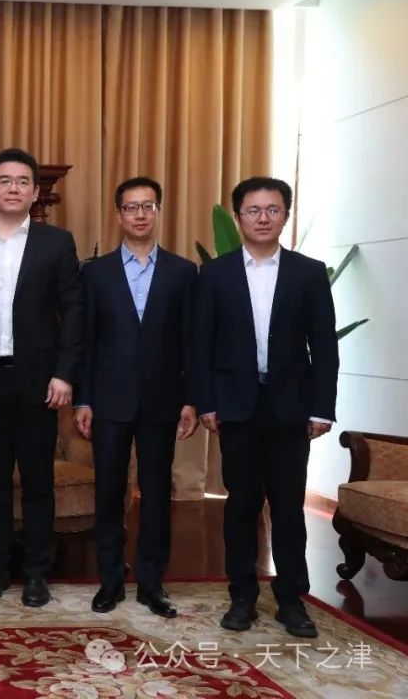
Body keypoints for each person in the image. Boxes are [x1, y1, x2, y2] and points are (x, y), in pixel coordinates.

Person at [193, 176, 338, 638]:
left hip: (290, 408)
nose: (262, 218)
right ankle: (242, 596)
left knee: (289, 505)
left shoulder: (308, 272)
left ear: (285, 216)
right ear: (238, 217)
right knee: (240, 504)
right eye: (253, 210)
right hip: (236, 407)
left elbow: (324, 346)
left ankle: (291, 599)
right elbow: (202, 344)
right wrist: (206, 402)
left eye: (272, 210)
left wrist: (322, 408)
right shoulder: (215, 274)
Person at [0, 147, 83, 608]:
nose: (13, 188)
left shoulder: (56, 243)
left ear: (34, 192)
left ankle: (36, 573)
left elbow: (74, 312)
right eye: (5, 181)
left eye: (23, 181)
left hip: (39, 383)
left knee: (38, 482)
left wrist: (64, 374)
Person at [73, 177, 198, 618]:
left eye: (148, 206)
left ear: (158, 211)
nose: (140, 214)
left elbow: (191, 343)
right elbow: (86, 342)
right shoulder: (95, 273)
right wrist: (83, 400)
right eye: (131, 207)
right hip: (108, 400)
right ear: (119, 215)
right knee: (109, 492)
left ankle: (151, 582)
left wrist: (190, 399)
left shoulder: (183, 272)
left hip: (163, 401)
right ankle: (110, 580)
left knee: (157, 493)